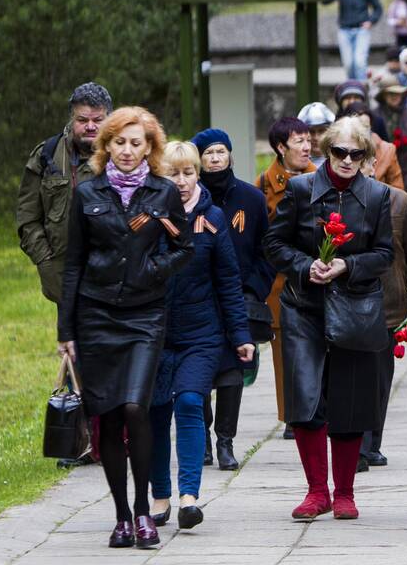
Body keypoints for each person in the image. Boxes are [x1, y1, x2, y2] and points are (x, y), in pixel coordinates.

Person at [57, 106, 194, 549]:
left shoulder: (162, 194)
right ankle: (120, 516)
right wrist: (66, 331)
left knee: (136, 406)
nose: (128, 150)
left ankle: (143, 511)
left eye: (137, 143)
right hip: (96, 316)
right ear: (106, 146)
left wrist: (154, 269)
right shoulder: (87, 194)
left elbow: (183, 246)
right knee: (110, 416)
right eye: (120, 142)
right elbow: (73, 262)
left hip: (144, 316)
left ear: (150, 147)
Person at [263, 117, 394, 522]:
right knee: (305, 398)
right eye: (340, 152)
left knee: (350, 399)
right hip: (305, 307)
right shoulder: (301, 189)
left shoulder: (376, 196)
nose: (348, 160)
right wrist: (307, 266)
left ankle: (346, 493)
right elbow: (274, 243)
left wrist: (346, 265)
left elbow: (385, 254)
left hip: (354, 308)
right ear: (326, 151)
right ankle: (316, 491)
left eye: (358, 154)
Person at [148, 141, 254, 530]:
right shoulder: (148, 217)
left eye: (188, 172)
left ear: (198, 173)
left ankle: (189, 496)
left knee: (190, 402)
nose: (181, 181)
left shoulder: (213, 218)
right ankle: (160, 494)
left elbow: (228, 280)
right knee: (155, 413)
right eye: (172, 173)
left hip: (201, 334)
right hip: (155, 334)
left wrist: (240, 334)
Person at [17, 82, 111, 467]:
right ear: (71, 118)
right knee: (75, 356)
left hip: (112, 275)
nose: (89, 127)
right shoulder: (47, 157)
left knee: (111, 355)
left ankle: (113, 438)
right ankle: (80, 441)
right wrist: (46, 261)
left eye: (97, 120)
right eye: (82, 120)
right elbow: (27, 218)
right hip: (65, 280)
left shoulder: (121, 153)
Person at [190, 128, 272, 470]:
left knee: (233, 375)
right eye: (207, 153)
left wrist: (252, 289)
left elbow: (266, 250)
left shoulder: (252, 199)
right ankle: (203, 443)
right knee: (201, 375)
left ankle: (226, 442)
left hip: (238, 299)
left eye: (220, 151)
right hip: (199, 302)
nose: (214, 158)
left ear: (230, 156)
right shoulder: (189, 201)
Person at [355, 152, 407, 471]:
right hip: (341, 303)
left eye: (361, 159)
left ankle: (371, 442)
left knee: (379, 377)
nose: (354, 166)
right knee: (346, 376)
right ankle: (352, 442)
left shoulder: (399, 202)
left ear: (374, 164)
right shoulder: (328, 200)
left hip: (387, 304)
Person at [257, 118, 317, 440]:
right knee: (283, 354)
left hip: (315, 276)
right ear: (281, 148)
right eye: (299, 141)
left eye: (309, 140)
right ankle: (291, 416)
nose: (307, 147)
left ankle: (314, 407)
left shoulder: (319, 178)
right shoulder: (264, 184)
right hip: (278, 283)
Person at [324, 0, 383, 81]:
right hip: (344, 30)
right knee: (349, 64)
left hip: (361, 30)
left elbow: (378, 8)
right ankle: (351, 88)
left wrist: (371, 21)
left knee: (360, 62)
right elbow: (326, 0)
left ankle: (361, 91)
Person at [339, 101, 405, 190]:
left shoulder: (387, 150)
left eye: (366, 127)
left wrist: (372, 181)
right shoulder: (336, 150)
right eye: (357, 127)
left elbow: (398, 190)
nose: (362, 132)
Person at [375, 73, 407, 185]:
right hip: (380, 170)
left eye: (398, 93)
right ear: (383, 95)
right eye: (390, 93)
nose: (395, 96)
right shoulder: (374, 115)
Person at [298, 102, 337, 168]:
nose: (316, 137)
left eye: (321, 131)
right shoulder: (295, 163)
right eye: (311, 131)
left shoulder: (339, 160)